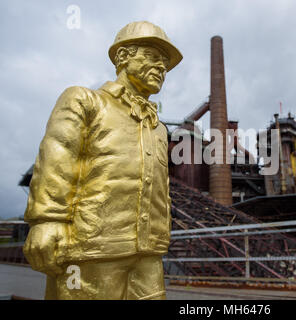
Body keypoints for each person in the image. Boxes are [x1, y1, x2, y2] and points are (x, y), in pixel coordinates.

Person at [23, 21, 182, 300]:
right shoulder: (85, 101)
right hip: (91, 248)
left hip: (149, 250)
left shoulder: (158, 128)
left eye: (165, 64)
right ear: (123, 57)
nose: (162, 68)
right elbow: (58, 156)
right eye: (153, 57)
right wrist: (47, 221)